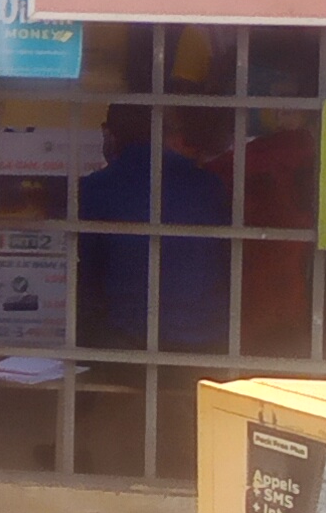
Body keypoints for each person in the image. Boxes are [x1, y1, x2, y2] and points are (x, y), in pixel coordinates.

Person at [76, 106, 231, 353]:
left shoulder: (96, 187)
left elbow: (87, 271)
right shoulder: (209, 184)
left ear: (109, 134)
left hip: (131, 341)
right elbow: (226, 260)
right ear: (167, 133)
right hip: (207, 342)